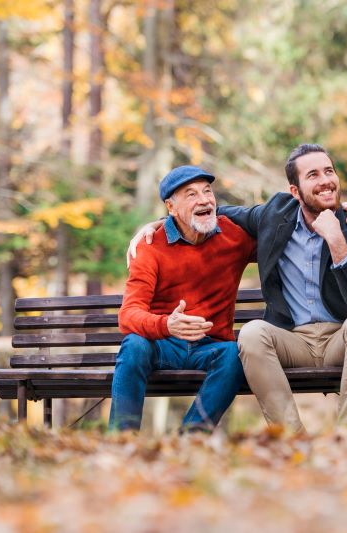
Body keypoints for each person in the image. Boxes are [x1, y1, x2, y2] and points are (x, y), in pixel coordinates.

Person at [130, 144, 347, 433]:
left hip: (344, 338)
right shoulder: (275, 215)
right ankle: (292, 439)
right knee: (252, 332)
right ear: (295, 192)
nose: (325, 180)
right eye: (313, 175)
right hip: (293, 341)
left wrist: (336, 241)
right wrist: (160, 222)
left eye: (329, 171)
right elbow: (209, 212)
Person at [109, 165, 256, 432]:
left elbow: (284, 232)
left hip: (210, 347)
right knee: (134, 345)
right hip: (163, 345)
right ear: (171, 207)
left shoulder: (235, 236)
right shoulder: (150, 246)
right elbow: (128, 315)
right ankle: (121, 439)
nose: (204, 199)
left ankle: (191, 438)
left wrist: (337, 210)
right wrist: (167, 325)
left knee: (235, 354)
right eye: (191, 194)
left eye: (207, 191)